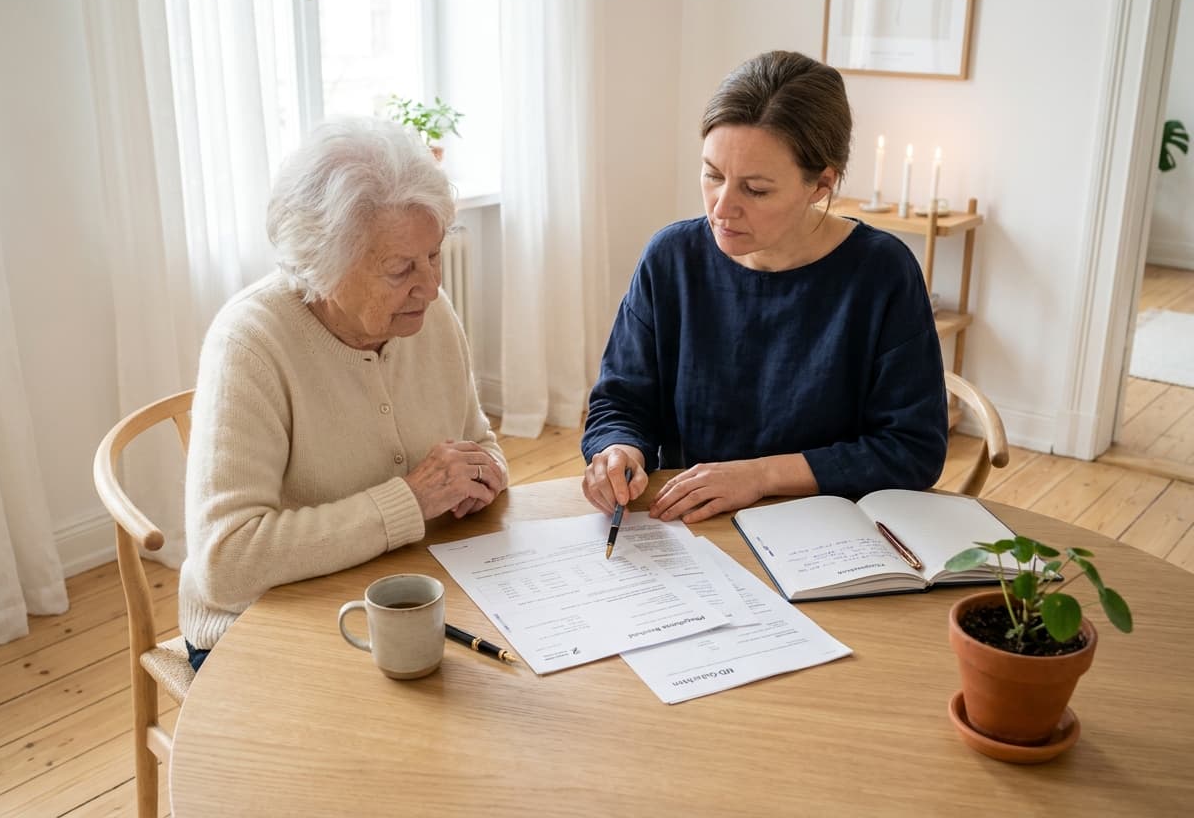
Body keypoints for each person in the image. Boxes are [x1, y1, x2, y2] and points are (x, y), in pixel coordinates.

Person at [180, 117, 507, 670]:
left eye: (434, 255)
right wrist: (411, 500)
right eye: (402, 267)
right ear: (322, 266)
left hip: (404, 598)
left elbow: (478, 440)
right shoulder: (249, 343)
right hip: (264, 628)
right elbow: (226, 563)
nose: (431, 287)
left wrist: (483, 474)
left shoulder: (429, 314)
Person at [581, 50, 947, 525]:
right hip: (692, 526)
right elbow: (621, 399)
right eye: (713, 175)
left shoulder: (881, 272)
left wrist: (758, 476)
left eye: (755, 189)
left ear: (820, 183)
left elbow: (912, 449)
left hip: (828, 535)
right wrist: (617, 447)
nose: (721, 208)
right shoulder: (671, 257)